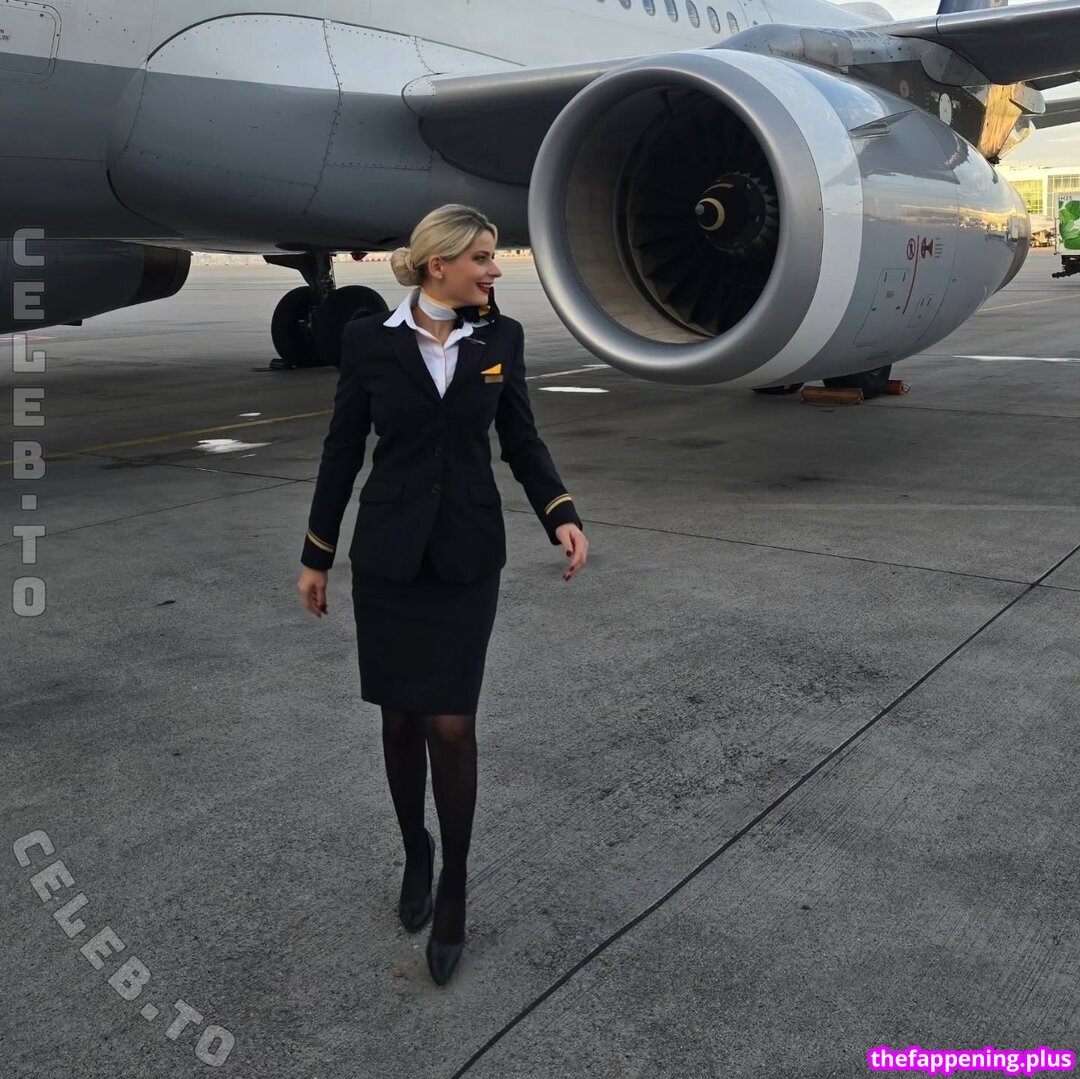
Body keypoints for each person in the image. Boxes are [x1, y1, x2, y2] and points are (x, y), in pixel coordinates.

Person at [296, 204, 589, 986]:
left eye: (495, 256)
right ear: (440, 264)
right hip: (389, 558)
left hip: (465, 555)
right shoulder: (369, 342)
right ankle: (415, 850)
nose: (495, 269)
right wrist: (316, 554)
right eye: (483, 256)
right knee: (399, 717)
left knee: (450, 723)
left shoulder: (501, 339)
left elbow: (520, 438)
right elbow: (341, 450)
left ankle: (455, 878)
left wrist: (559, 512)